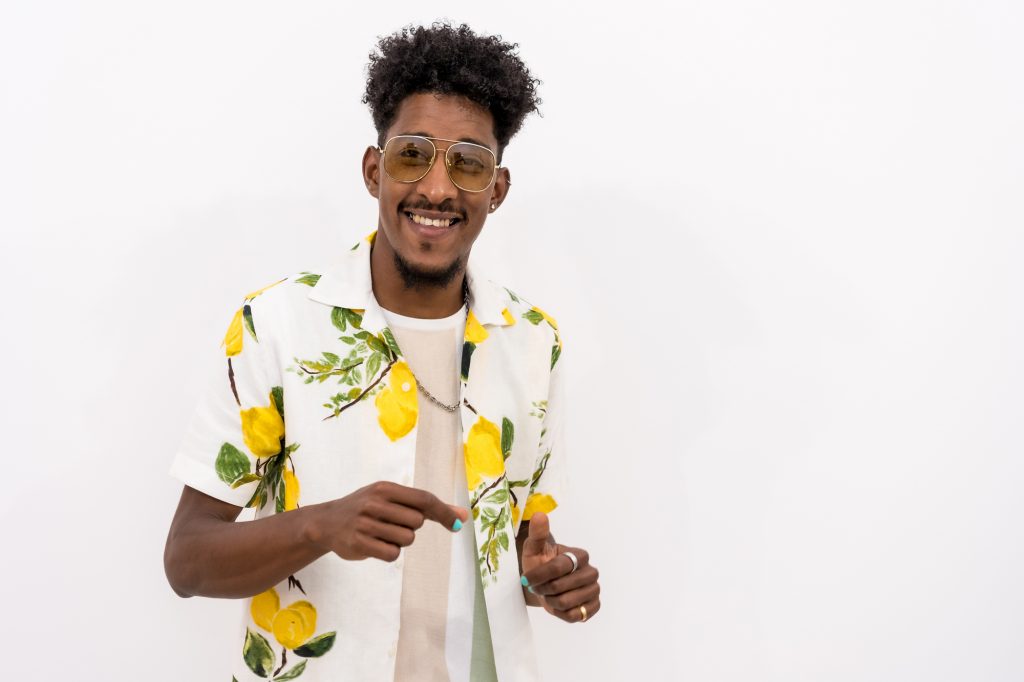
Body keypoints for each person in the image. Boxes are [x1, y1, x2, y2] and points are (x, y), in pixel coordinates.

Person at [164, 22, 600, 682]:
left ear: (497, 190)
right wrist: (318, 527)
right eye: (412, 155)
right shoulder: (278, 326)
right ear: (374, 170)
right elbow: (187, 561)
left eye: (469, 165)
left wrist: (551, 580)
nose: (436, 188)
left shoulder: (533, 341)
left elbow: (513, 554)